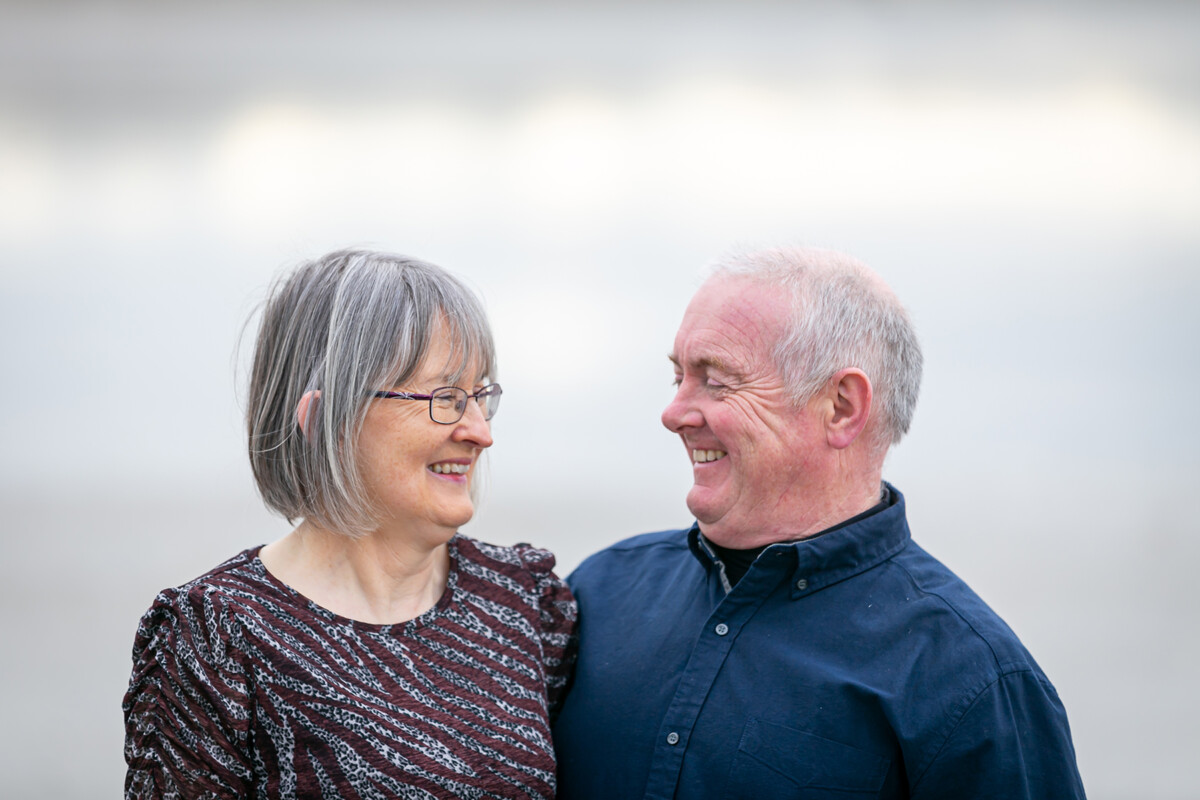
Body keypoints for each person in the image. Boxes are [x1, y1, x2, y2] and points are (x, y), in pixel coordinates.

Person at [553, 246, 1086, 799]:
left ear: (841, 407)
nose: (673, 413)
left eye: (716, 380)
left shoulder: (971, 678)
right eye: (679, 377)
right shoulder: (599, 593)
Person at [123, 249, 577, 799]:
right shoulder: (219, 636)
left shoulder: (521, 598)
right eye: (445, 398)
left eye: (480, 395)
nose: (481, 432)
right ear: (325, 420)